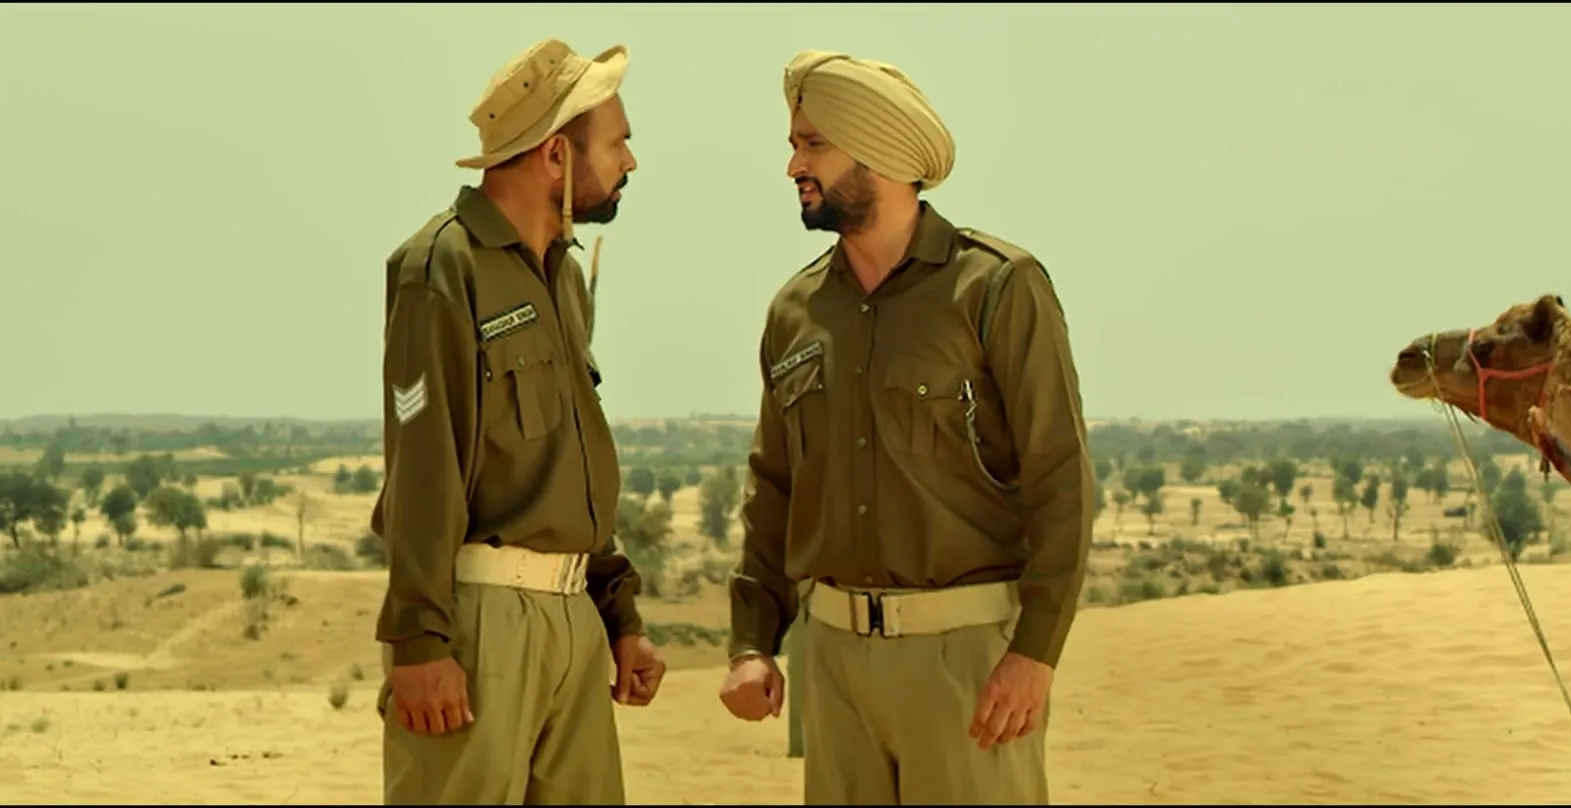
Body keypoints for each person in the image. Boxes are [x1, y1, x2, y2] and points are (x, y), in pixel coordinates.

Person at [718, 49, 1096, 805]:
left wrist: (1034, 654)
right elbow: (774, 488)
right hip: (833, 663)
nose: (794, 165)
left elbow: (1061, 480)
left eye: (813, 144)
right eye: (794, 143)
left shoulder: (997, 287)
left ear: (881, 154)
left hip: (967, 662)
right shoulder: (795, 311)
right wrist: (752, 642)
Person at [370, 38, 666, 805]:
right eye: (618, 143)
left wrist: (618, 616)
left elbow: (569, 464)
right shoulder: (441, 266)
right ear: (557, 155)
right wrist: (419, 640)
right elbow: (423, 460)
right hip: (479, 628)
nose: (631, 161)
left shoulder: (564, 278)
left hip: (574, 620)